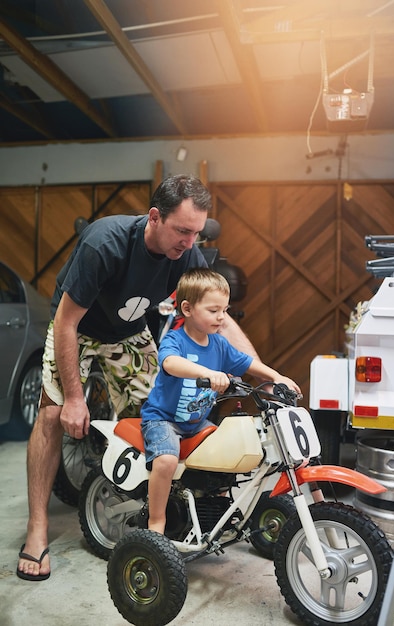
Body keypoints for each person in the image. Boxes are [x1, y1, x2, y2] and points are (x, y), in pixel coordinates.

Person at [17, 175, 259, 581]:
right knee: (52, 413)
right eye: (182, 231)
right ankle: (37, 528)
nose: (188, 242)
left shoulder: (187, 254)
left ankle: (150, 513)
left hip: (127, 333)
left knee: (157, 413)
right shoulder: (105, 243)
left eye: (196, 233)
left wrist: (260, 370)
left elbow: (221, 318)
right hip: (76, 328)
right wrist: (75, 399)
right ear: (154, 218)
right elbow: (65, 322)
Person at [141, 268, 301, 535]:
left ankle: (215, 511)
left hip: (196, 422)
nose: (221, 317)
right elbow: (169, 363)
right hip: (163, 419)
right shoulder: (176, 339)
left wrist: (277, 376)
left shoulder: (219, 345)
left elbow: (248, 363)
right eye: (213, 310)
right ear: (188, 309)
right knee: (166, 461)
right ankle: (156, 521)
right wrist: (208, 373)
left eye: (225, 310)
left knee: (227, 456)